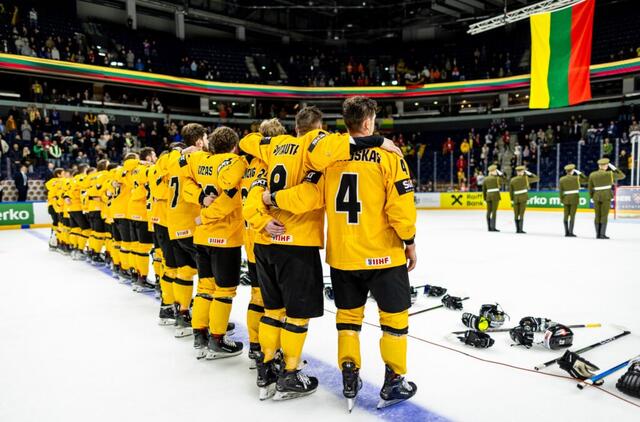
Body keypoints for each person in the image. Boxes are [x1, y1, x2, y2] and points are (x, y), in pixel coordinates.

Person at [260, 96, 418, 410]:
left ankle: (349, 376)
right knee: (394, 320)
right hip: (384, 254)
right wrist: (410, 241)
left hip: (343, 255)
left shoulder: (327, 160)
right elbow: (401, 209)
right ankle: (394, 381)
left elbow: (309, 196)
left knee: (348, 319)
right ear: (369, 122)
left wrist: (272, 198)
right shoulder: (389, 156)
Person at [182, 127, 246, 360]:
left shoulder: (200, 160)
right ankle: (217, 339)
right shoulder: (235, 163)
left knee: (205, 287)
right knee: (224, 290)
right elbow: (230, 200)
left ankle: (199, 334)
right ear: (234, 146)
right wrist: (206, 215)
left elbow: (184, 182)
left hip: (202, 237)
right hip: (224, 236)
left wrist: (200, 198)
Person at [588, 158, 625, 239]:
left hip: (596, 196)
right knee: (604, 215)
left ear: (599, 166)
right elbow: (622, 175)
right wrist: (614, 168)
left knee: (597, 215)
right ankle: (602, 234)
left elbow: (590, 187)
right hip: (606, 196)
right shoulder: (610, 174)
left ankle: (598, 234)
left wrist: (591, 196)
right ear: (606, 166)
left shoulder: (592, 174)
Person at [558, 164, 587, 237]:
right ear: (573, 171)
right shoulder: (576, 178)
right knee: (572, 216)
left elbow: (561, 191)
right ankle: (570, 232)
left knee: (565, 216)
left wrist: (561, 199)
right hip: (574, 198)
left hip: (566, 198)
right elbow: (586, 179)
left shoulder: (562, 179)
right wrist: (579, 172)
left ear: (566, 171)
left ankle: (566, 232)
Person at [509, 165, 539, 234]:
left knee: (516, 214)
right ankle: (520, 229)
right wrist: (529, 173)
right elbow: (537, 178)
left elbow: (511, 191)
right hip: (523, 198)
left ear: (517, 172)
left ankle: (517, 229)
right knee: (521, 214)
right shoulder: (526, 179)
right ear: (523, 172)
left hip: (515, 198)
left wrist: (512, 199)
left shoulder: (512, 180)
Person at [482, 164, 504, 232]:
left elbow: (484, 190)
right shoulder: (497, 178)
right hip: (495, 196)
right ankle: (493, 227)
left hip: (488, 196)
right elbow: (504, 180)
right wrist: (501, 174)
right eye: (495, 171)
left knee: (488, 211)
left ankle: (489, 227)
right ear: (492, 171)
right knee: (494, 212)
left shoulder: (485, 179)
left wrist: (484, 198)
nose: (496, 172)